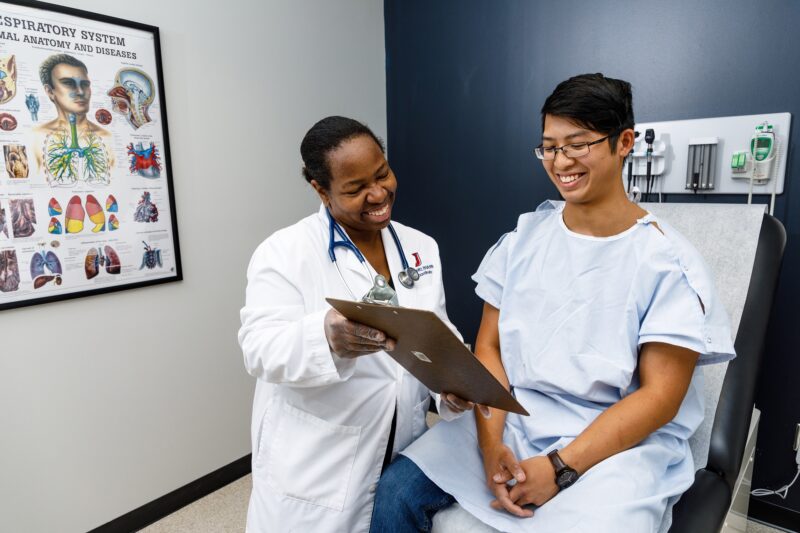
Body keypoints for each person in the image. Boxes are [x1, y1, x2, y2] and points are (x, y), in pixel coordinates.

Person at [370, 74, 736, 533]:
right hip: (515, 419)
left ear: (624, 142)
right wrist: (490, 444)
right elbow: (490, 352)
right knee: (396, 493)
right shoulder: (522, 241)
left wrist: (561, 468)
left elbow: (660, 398)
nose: (561, 161)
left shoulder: (669, 264)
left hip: (616, 446)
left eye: (578, 144)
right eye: (550, 147)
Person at [238, 116, 481, 532]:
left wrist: (452, 387)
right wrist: (325, 337)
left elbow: (435, 330)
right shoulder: (285, 252)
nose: (378, 193)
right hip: (318, 461)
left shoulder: (420, 247)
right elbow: (258, 350)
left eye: (382, 174)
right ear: (320, 188)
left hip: (399, 443)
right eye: (354, 189)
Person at [33, 54, 112, 176]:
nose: (80, 92)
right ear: (49, 91)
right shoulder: (36, 138)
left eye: (85, 84)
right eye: (69, 83)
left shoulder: (107, 138)